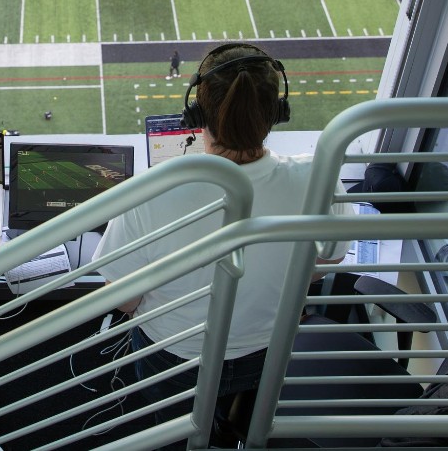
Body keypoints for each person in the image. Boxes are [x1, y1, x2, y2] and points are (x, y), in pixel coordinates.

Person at [93, 43, 351, 443]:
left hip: (173, 357)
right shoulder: (317, 176)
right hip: (267, 351)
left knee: (178, 432)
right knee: (250, 416)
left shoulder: (152, 190)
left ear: (196, 114)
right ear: (278, 111)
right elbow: (326, 264)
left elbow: (124, 300)